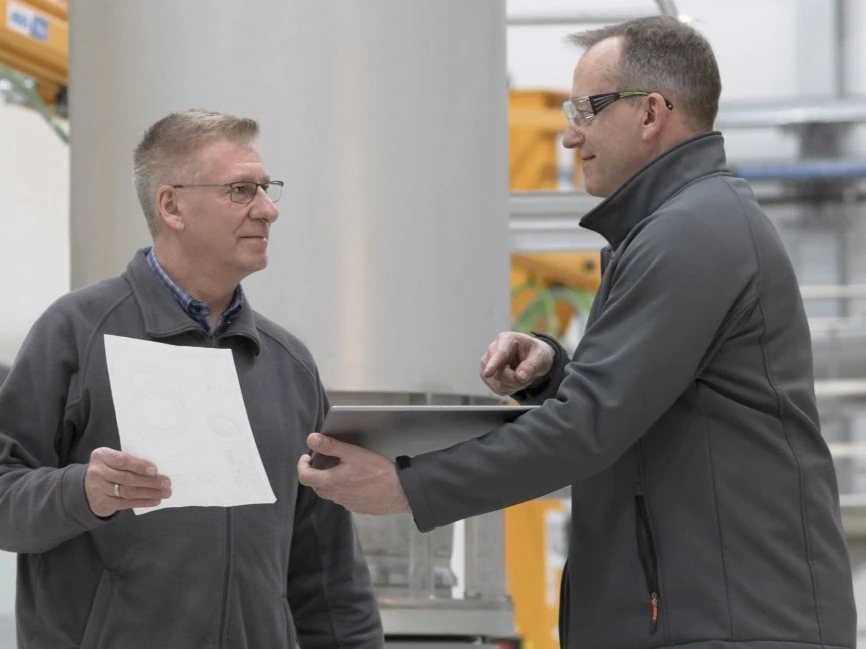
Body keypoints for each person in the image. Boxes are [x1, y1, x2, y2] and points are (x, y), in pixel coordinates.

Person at [298, 16, 857, 649]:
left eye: (586, 110)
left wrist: (407, 486)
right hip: (708, 620)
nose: (570, 136)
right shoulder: (678, 229)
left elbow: (589, 427)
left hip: (729, 626)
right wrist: (554, 375)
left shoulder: (693, 233)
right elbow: (647, 411)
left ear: (651, 113)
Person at [0, 109, 383, 648]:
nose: (268, 210)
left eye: (267, 189)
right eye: (242, 190)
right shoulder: (77, 333)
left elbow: (327, 568)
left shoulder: (288, 364)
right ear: (171, 205)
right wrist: (79, 490)